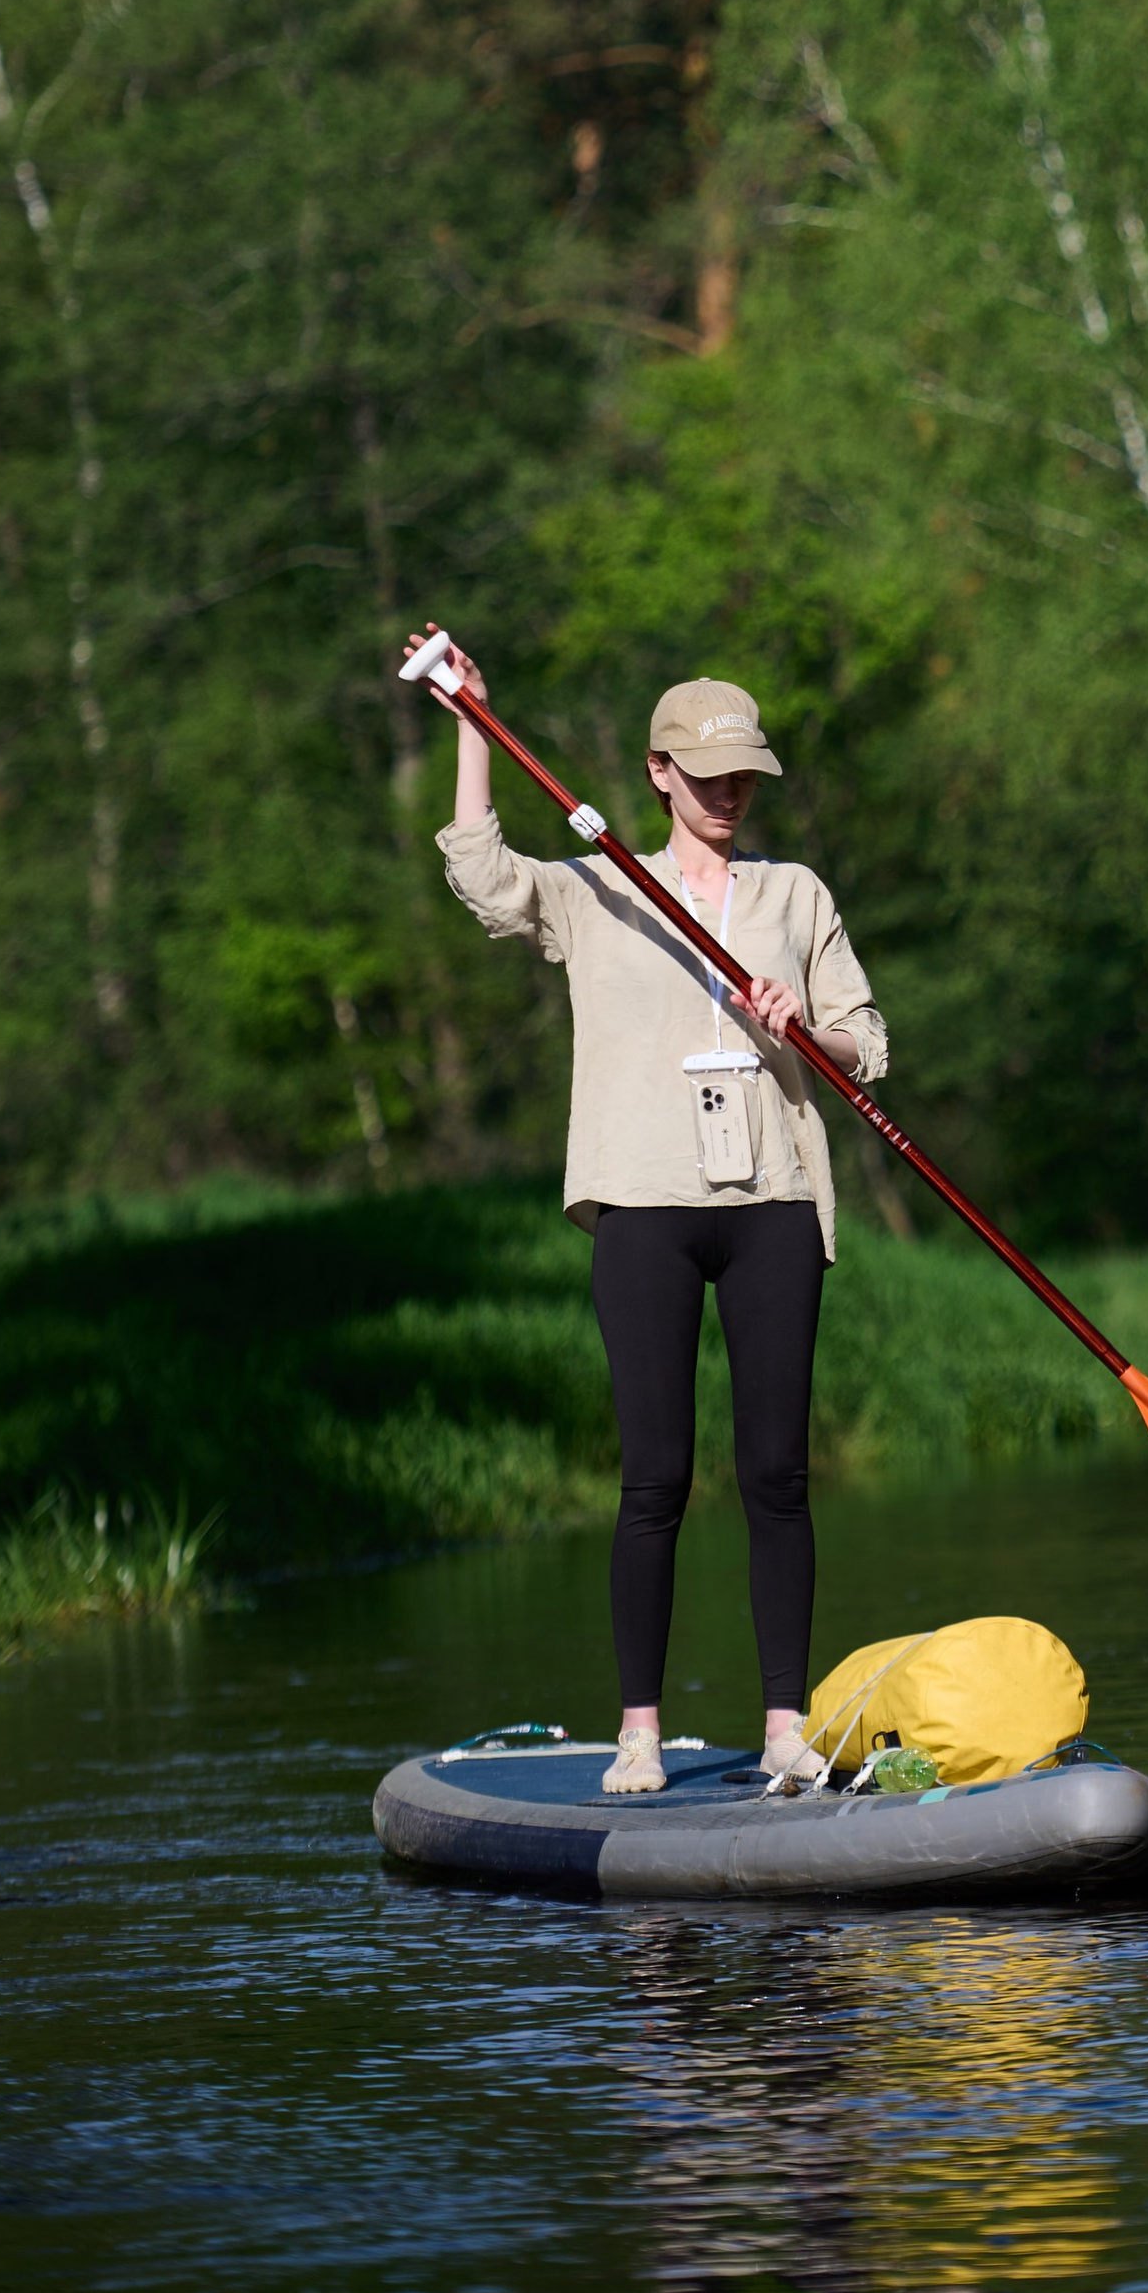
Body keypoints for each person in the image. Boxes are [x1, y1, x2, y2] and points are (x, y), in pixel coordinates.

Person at [414, 638, 888, 1797]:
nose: (730, 793)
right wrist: (474, 725)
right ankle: (638, 1731)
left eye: (745, 775)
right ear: (659, 772)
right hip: (642, 1202)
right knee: (654, 1478)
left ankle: (784, 1727)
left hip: (772, 1199)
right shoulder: (598, 889)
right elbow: (484, 877)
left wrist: (802, 1026)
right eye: (709, 774)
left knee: (776, 1473)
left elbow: (866, 1042)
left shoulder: (794, 893)